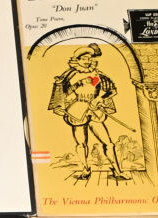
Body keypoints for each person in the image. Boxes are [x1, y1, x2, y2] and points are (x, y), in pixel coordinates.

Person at [48, 44, 127, 179]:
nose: (87, 61)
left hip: (95, 109)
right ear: (77, 60)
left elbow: (112, 90)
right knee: (81, 143)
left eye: (89, 58)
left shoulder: (97, 74)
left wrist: (100, 99)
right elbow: (62, 94)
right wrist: (79, 84)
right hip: (77, 109)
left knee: (108, 143)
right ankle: (86, 170)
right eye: (84, 58)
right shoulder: (70, 75)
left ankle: (118, 171)